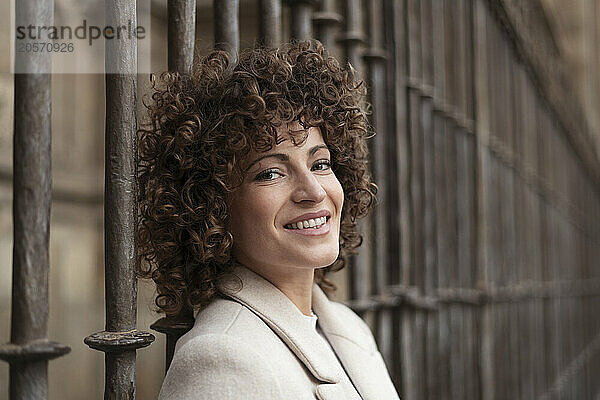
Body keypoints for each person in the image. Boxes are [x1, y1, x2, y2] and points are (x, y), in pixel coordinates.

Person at [137, 40, 400, 400]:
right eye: (270, 173)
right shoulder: (222, 359)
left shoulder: (348, 330)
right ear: (210, 206)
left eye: (320, 164)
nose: (312, 190)